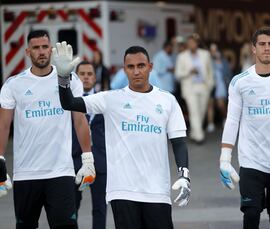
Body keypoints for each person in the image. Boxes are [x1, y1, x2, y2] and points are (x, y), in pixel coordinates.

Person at [52, 43, 191, 229]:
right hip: (122, 192)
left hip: (157, 191)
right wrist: (62, 78)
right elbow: (69, 103)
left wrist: (184, 175)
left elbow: (179, 142)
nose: (136, 72)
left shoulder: (167, 100)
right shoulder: (111, 99)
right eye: (130, 67)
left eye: (141, 66)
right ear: (124, 69)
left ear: (150, 66)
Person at [0, 30, 95, 229]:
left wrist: (88, 157)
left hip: (60, 172)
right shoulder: (13, 85)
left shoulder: (70, 80)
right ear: (28, 52)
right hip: (26, 174)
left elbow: (79, 120)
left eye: (45, 47)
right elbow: (3, 124)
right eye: (36, 47)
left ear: (51, 49)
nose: (41, 52)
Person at [219, 26, 270, 229]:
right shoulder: (240, 82)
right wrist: (225, 158)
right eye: (262, 44)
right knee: (251, 214)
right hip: (251, 161)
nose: (266, 48)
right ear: (253, 49)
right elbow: (232, 120)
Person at [72, 61, 107, 229]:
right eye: (82, 74)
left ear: (95, 77)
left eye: (89, 74)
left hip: (100, 161)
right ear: (76, 77)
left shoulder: (105, 100)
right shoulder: (69, 102)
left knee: (100, 207)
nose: (86, 77)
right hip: (75, 160)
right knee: (72, 207)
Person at [175, 34, 214, 143]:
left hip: (203, 86)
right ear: (187, 44)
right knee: (194, 111)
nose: (192, 44)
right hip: (190, 88)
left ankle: (194, 132)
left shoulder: (205, 54)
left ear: (197, 43)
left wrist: (210, 84)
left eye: (194, 42)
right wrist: (189, 72)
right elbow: (178, 74)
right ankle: (199, 137)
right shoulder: (182, 56)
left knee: (201, 111)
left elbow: (210, 70)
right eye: (190, 43)